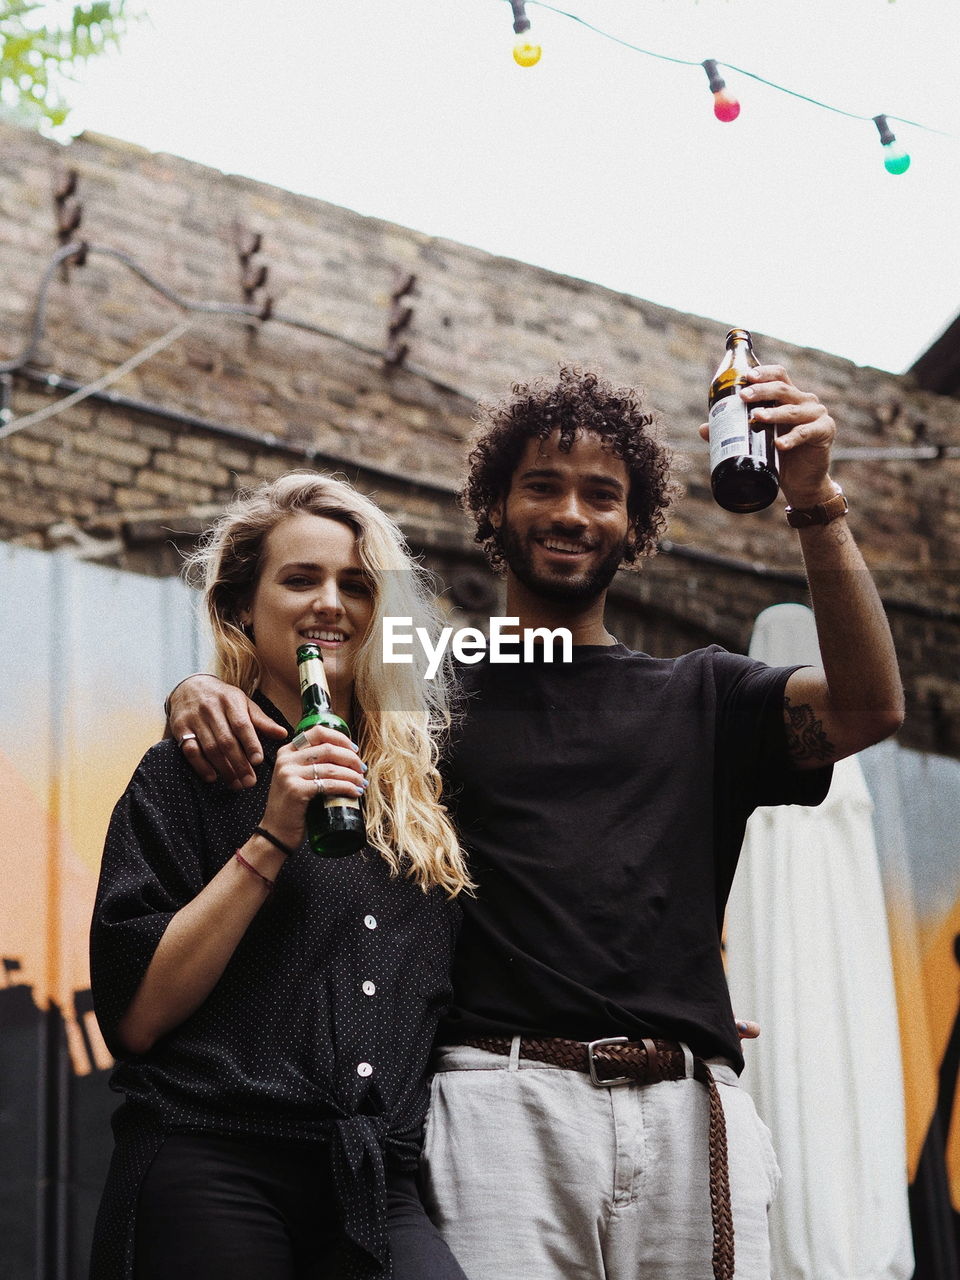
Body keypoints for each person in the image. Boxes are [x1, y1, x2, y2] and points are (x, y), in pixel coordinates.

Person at [166, 364, 904, 1280]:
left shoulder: (703, 693)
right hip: (493, 1101)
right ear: (495, 506)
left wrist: (817, 500)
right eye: (542, 486)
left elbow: (870, 709)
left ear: (635, 526)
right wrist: (198, 687)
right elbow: (294, 665)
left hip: (683, 1101)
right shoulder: (426, 686)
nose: (572, 513)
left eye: (603, 494)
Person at [89, 472, 472, 1280]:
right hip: (214, 1161)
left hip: (374, 1182)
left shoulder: (427, 796)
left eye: (357, 585)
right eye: (300, 579)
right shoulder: (185, 775)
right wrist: (272, 835)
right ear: (239, 609)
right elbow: (137, 1019)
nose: (331, 602)